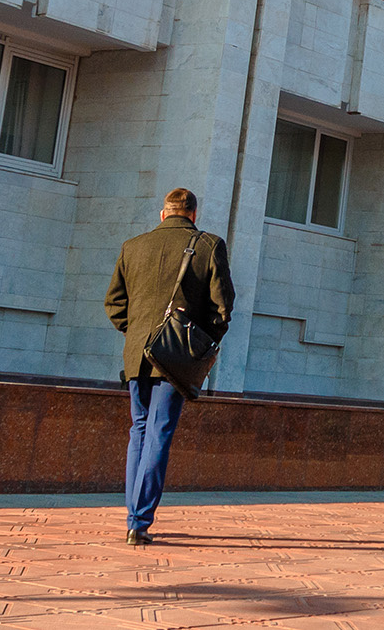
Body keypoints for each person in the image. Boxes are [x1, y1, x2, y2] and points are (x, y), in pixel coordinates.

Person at [104, 187, 235, 545]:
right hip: (175, 358)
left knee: (140, 430)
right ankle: (138, 521)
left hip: (137, 355)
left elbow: (114, 302)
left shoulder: (133, 246)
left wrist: (138, 334)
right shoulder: (209, 245)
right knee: (158, 431)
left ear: (163, 214)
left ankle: (134, 514)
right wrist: (197, 343)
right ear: (193, 215)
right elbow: (223, 307)